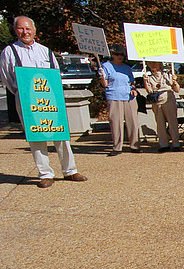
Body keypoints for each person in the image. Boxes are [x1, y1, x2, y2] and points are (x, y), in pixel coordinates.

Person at [0, 16, 87, 188]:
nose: (25, 32)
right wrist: (20, 94)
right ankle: (46, 174)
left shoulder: (45, 51)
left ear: (34, 30)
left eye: (28, 28)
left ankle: (70, 170)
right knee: (36, 135)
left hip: (50, 99)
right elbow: (7, 78)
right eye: (21, 28)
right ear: (15, 30)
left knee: (60, 133)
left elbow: (55, 74)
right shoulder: (9, 52)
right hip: (27, 100)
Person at [98, 44, 140, 156]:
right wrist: (102, 77)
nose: (120, 56)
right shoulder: (105, 66)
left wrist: (133, 89)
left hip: (128, 96)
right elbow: (105, 84)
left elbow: (131, 82)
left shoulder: (127, 68)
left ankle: (134, 145)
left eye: (122, 54)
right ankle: (117, 147)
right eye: (117, 54)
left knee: (133, 122)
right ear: (112, 55)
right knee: (116, 122)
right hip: (114, 96)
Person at [144, 61, 181, 152]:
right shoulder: (149, 77)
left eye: (155, 63)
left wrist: (175, 81)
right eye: (150, 64)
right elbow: (149, 91)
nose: (153, 65)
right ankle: (163, 144)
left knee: (172, 122)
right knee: (160, 124)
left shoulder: (168, 75)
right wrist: (145, 82)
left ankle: (176, 143)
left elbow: (177, 90)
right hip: (157, 101)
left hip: (168, 99)